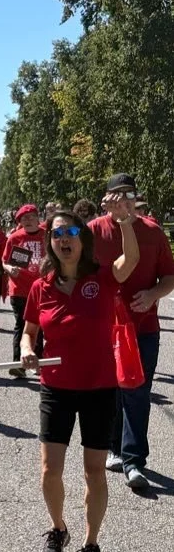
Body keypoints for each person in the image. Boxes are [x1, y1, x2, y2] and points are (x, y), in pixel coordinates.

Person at [21, 201, 137, 552]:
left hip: (99, 386)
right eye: (57, 234)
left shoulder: (102, 278)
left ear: (83, 240)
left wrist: (126, 222)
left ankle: (91, 544)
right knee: (49, 470)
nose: (64, 239)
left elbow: (130, 262)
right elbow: (29, 332)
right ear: (50, 243)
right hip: (56, 387)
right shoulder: (40, 287)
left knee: (94, 471)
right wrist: (26, 351)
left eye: (70, 232)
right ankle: (58, 529)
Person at [89, 173, 174, 487]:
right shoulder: (94, 230)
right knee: (111, 391)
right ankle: (114, 448)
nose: (123, 201)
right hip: (104, 327)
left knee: (137, 392)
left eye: (129, 194)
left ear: (135, 198)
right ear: (106, 199)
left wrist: (152, 294)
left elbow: (169, 277)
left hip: (143, 326)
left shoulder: (152, 231)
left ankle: (134, 461)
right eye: (117, 195)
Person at [2, 204, 46, 378]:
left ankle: (38, 362)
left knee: (40, 326)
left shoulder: (47, 236)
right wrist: (9, 268)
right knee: (21, 325)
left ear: (38, 218)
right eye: (23, 218)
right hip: (19, 289)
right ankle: (18, 364)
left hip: (42, 288)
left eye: (30, 217)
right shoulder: (15, 237)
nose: (27, 221)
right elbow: (5, 261)